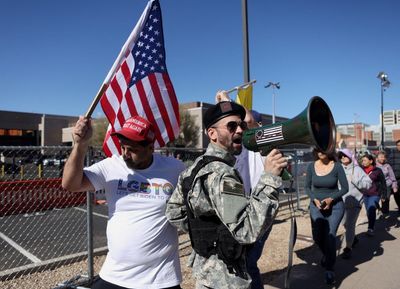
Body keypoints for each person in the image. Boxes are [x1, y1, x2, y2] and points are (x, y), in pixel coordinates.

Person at [166, 101, 288, 289]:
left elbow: (174, 212)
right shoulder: (223, 174)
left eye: (242, 125)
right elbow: (248, 230)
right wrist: (270, 177)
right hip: (227, 279)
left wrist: (207, 233)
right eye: (231, 126)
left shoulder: (193, 169)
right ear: (212, 134)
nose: (239, 130)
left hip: (206, 272)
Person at [62, 115, 185, 289]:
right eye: (122, 147)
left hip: (161, 277)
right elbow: (70, 184)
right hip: (115, 275)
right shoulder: (111, 166)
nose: (125, 154)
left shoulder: (175, 168)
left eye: (132, 149)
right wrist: (80, 146)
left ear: (150, 148)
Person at [304, 148, 348, 285]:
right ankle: (328, 255)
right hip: (316, 206)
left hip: (335, 207)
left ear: (329, 151)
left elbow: (344, 188)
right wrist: (314, 199)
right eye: (317, 149)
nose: (320, 152)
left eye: (323, 149)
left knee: (330, 235)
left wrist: (331, 199)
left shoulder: (337, 166)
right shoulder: (311, 166)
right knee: (317, 236)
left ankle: (329, 269)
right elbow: (307, 187)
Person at [338, 149, 371, 259]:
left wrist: (356, 181)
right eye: (340, 156)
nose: (342, 158)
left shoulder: (357, 170)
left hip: (354, 202)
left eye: (344, 156)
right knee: (345, 223)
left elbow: (368, 184)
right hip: (340, 202)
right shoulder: (338, 169)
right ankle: (353, 239)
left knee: (350, 224)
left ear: (350, 156)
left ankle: (348, 248)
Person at [360, 153, 387, 236]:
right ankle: (372, 223)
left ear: (371, 161)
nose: (363, 162)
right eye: (362, 161)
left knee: (371, 209)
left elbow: (383, 183)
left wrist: (384, 195)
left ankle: (370, 228)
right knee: (368, 211)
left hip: (375, 194)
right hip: (365, 194)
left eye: (365, 160)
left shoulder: (377, 170)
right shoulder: (360, 170)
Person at [376, 150, 398, 218]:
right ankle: (379, 209)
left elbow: (392, 177)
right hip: (377, 185)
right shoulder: (374, 166)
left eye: (384, 157)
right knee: (375, 199)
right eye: (381, 157)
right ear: (377, 158)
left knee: (385, 199)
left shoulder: (387, 166)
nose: (382, 158)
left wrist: (394, 186)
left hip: (387, 185)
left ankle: (385, 213)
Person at [389, 139, 400, 215]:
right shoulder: (392, 153)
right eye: (398, 145)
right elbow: (389, 165)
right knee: (396, 194)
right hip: (395, 178)